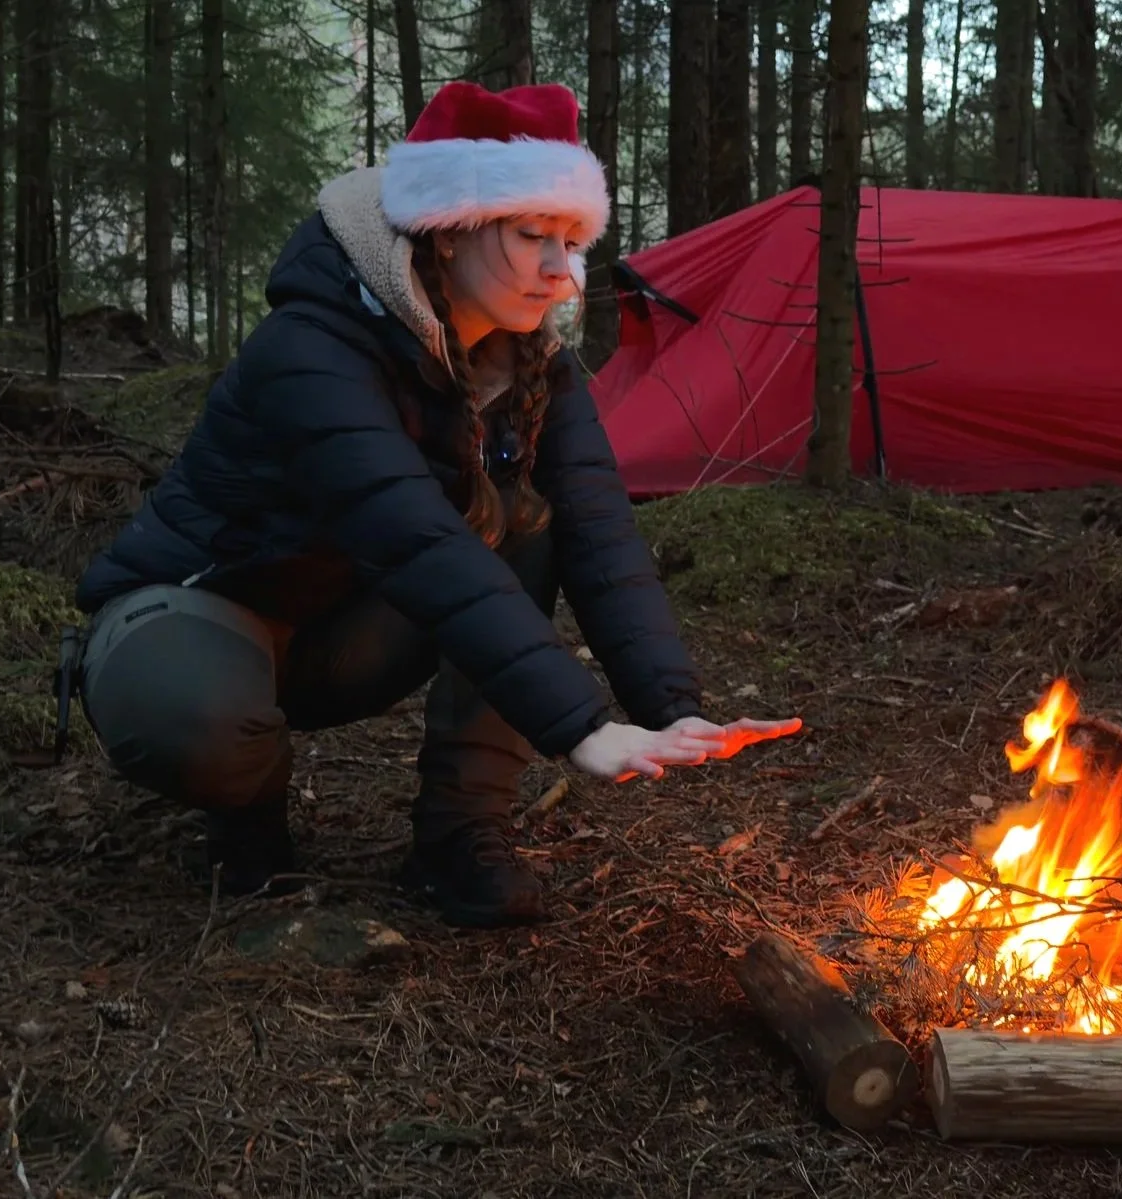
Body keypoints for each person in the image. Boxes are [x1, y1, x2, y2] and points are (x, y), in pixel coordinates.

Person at [70, 80, 800, 928]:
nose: (564, 276)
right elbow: (414, 538)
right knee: (194, 718)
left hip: (349, 628)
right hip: (207, 609)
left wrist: (674, 707)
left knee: (529, 520)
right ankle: (247, 809)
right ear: (448, 234)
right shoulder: (311, 347)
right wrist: (581, 724)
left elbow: (602, 530)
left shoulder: (533, 366)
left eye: (573, 241)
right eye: (534, 237)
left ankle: (459, 838)